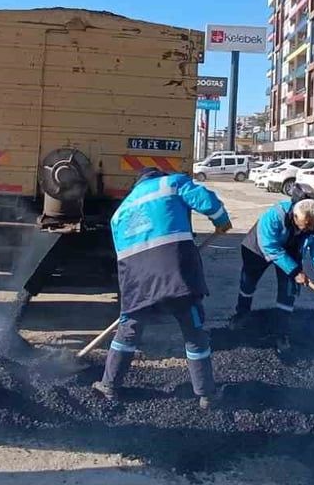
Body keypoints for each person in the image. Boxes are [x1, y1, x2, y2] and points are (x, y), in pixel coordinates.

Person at [94, 167, 232, 409]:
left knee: (129, 327)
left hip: (135, 278)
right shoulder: (172, 183)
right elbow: (206, 200)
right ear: (156, 176)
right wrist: (221, 220)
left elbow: (121, 256)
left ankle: (109, 385)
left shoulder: (119, 213)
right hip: (174, 271)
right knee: (193, 330)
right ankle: (207, 395)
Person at [234, 197, 314, 328]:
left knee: (288, 290)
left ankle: (281, 330)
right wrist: (295, 271)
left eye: (311, 224)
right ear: (295, 217)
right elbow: (270, 247)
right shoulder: (274, 216)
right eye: (306, 224)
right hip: (259, 247)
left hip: (291, 249)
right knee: (248, 282)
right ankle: (241, 315)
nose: (308, 229)